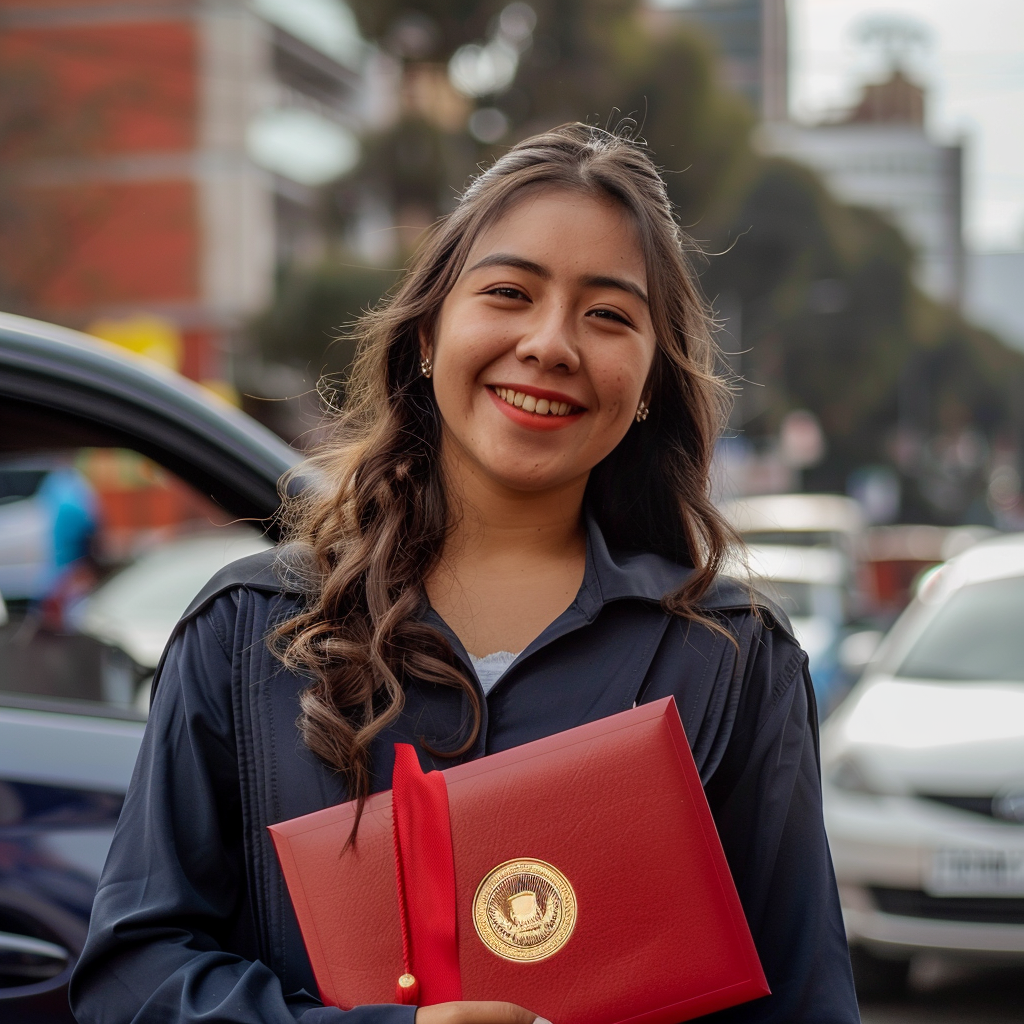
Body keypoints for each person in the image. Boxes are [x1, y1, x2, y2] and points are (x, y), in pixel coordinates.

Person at [70, 124, 860, 1024]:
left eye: (607, 313)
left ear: (648, 383)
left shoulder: (732, 659)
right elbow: (130, 978)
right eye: (509, 292)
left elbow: (803, 1004)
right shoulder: (249, 630)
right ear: (427, 332)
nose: (551, 343)